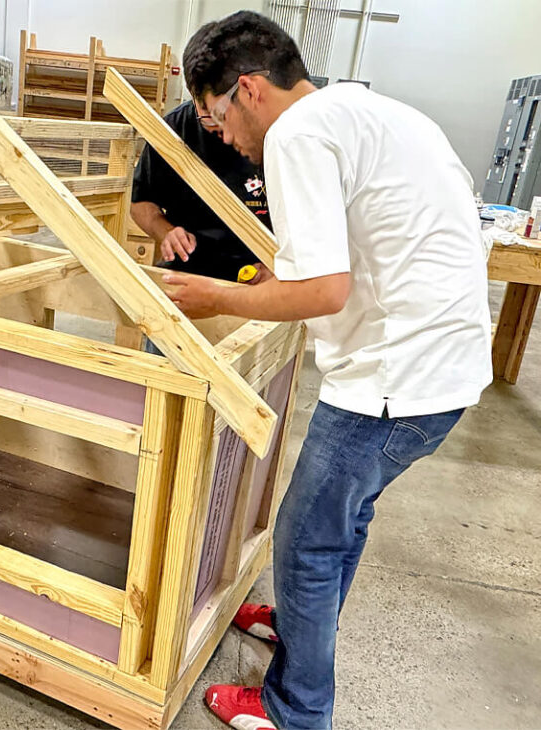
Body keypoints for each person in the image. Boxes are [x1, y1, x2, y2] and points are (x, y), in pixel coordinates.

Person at [165, 12, 492, 730]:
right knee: (345, 519)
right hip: (442, 372)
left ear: (248, 89)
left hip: (393, 382)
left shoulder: (296, 134)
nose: (223, 137)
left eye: (217, 117)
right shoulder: (369, 110)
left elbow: (324, 291)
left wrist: (218, 296)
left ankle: (296, 710)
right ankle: (297, 631)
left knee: (306, 542)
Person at [131, 83, 272, 282]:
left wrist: (279, 267)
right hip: (190, 269)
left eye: (224, 111)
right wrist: (168, 233)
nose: (220, 126)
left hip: (255, 275)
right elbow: (140, 203)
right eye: (208, 115)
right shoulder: (172, 130)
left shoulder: (271, 130)